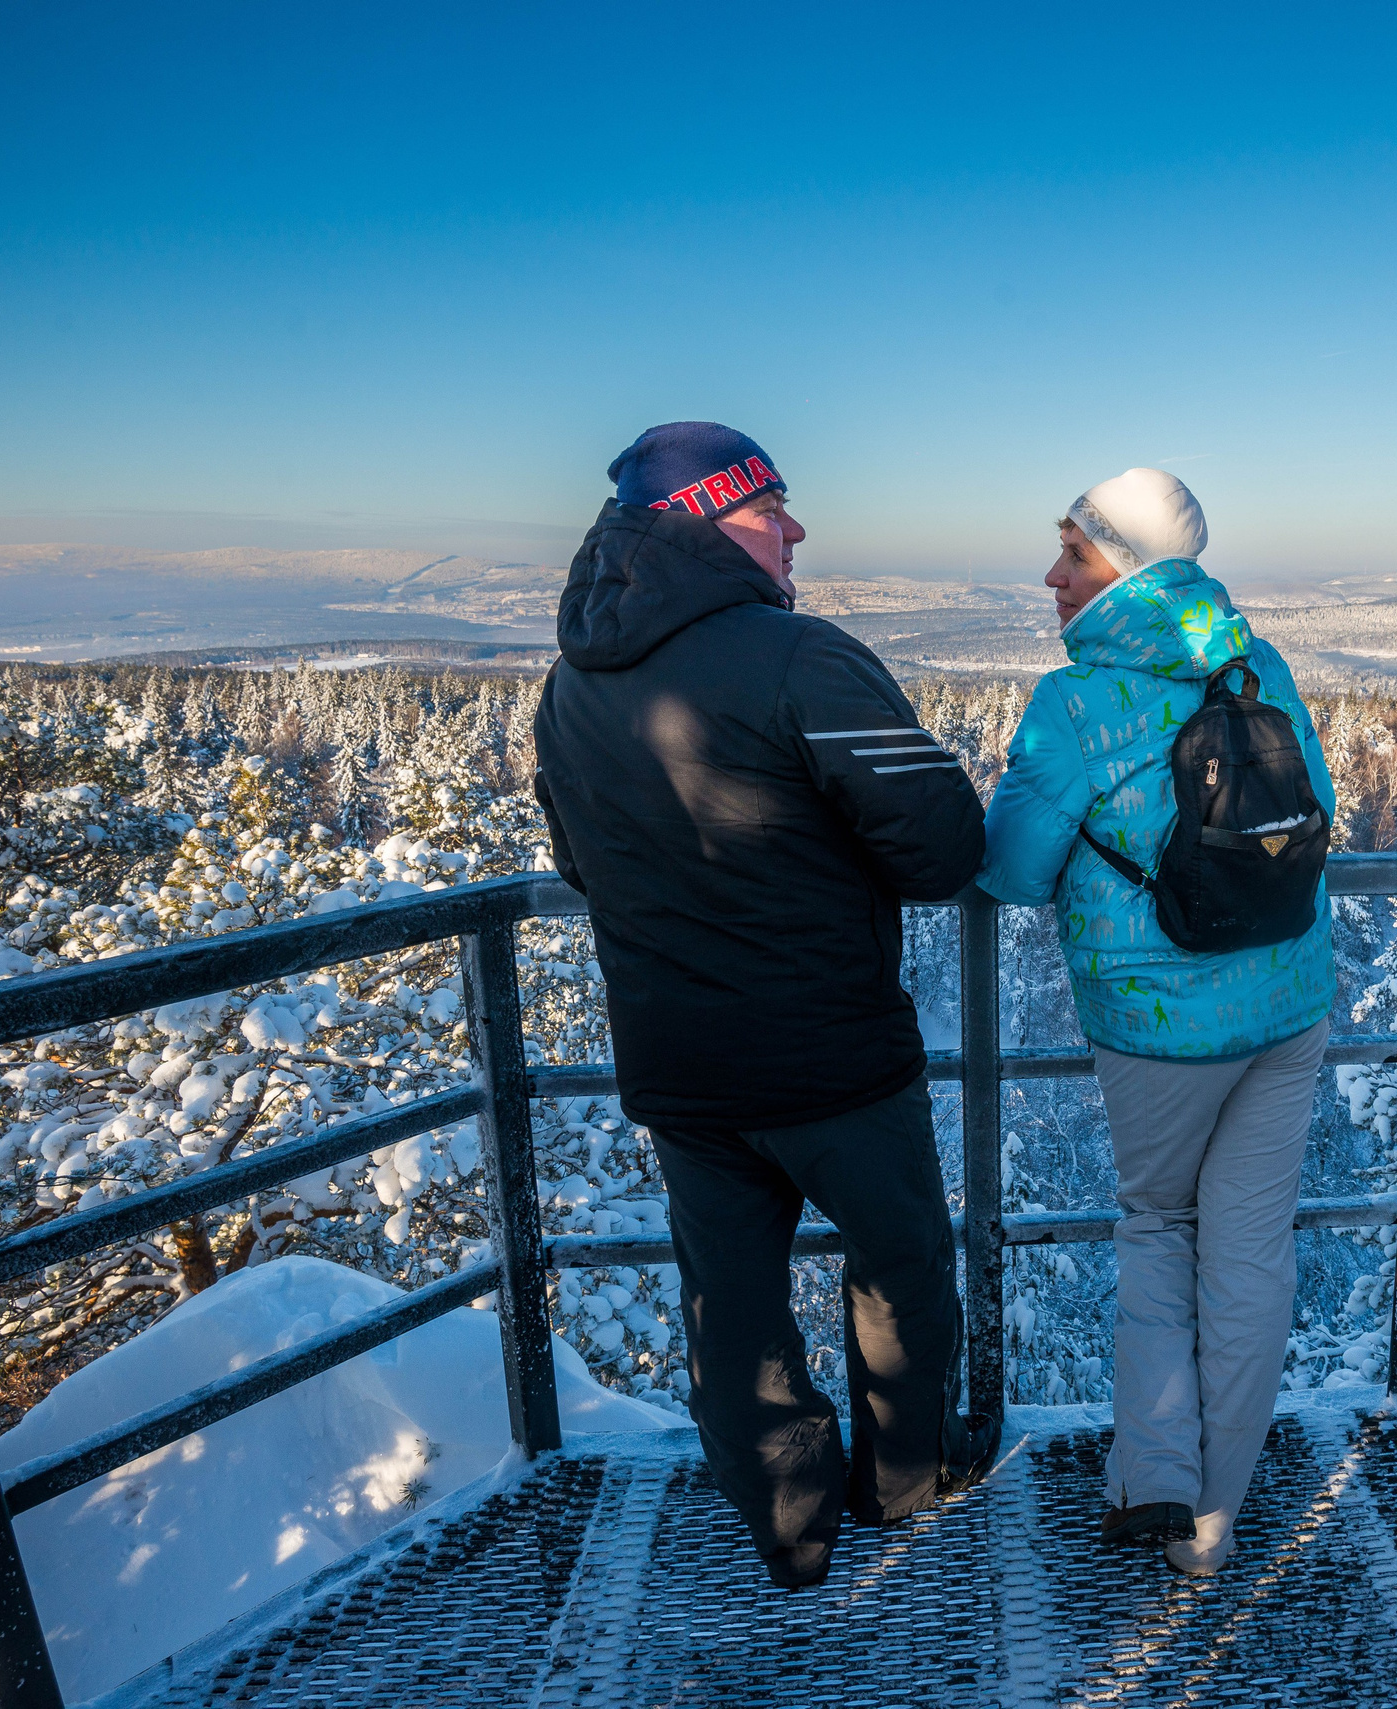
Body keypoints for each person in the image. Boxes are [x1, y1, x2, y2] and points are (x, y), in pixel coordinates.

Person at [532, 421, 998, 1591]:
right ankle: (900, 1483)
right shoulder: (798, 657)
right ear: (702, 522)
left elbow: (581, 861)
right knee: (899, 1267)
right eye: (769, 508)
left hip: (680, 1062)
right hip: (830, 1055)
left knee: (729, 1301)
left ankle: (788, 1523)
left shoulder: (568, 683)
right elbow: (941, 845)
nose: (795, 528)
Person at [975, 468, 1336, 1577]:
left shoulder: (1072, 702)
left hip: (1157, 1025)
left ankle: (1158, 1486)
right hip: (1288, 1002)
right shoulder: (1252, 660)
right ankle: (1216, 1514)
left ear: (1123, 566)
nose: (1051, 572)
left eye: (1073, 552)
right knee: (1248, 1251)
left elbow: (1013, 868)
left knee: (1157, 1231)